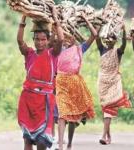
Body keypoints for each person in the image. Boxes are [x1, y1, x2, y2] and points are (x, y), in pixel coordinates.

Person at [17, 7, 64, 150]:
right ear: (33, 40)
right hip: (28, 100)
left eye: (43, 39)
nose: (39, 42)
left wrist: (55, 19)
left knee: (42, 141)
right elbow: (19, 40)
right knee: (27, 139)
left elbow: (61, 39)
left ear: (48, 40)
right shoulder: (29, 54)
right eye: (36, 39)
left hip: (45, 102)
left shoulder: (53, 54)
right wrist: (24, 18)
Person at [56, 13, 97, 150]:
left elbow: (94, 35)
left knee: (73, 116)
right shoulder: (58, 48)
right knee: (62, 114)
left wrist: (86, 20)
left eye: (70, 36)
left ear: (74, 37)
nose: (67, 40)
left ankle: (69, 143)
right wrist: (57, 21)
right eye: (65, 36)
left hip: (75, 85)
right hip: (61, 83)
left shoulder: (80, 49)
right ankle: (60, 146)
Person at [96, 24, 131, 145]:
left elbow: (124, 45)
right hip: (102, 83)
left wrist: (124, 31)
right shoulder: (102, 49)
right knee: (105, 109)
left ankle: (103, 135)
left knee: (108, 108)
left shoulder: (118, 52)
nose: (109, 41)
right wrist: (100, 27)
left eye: (112, 38)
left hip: (114, 83)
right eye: (107, 38)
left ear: (115, 40)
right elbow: (96, 38)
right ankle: (109, 135)